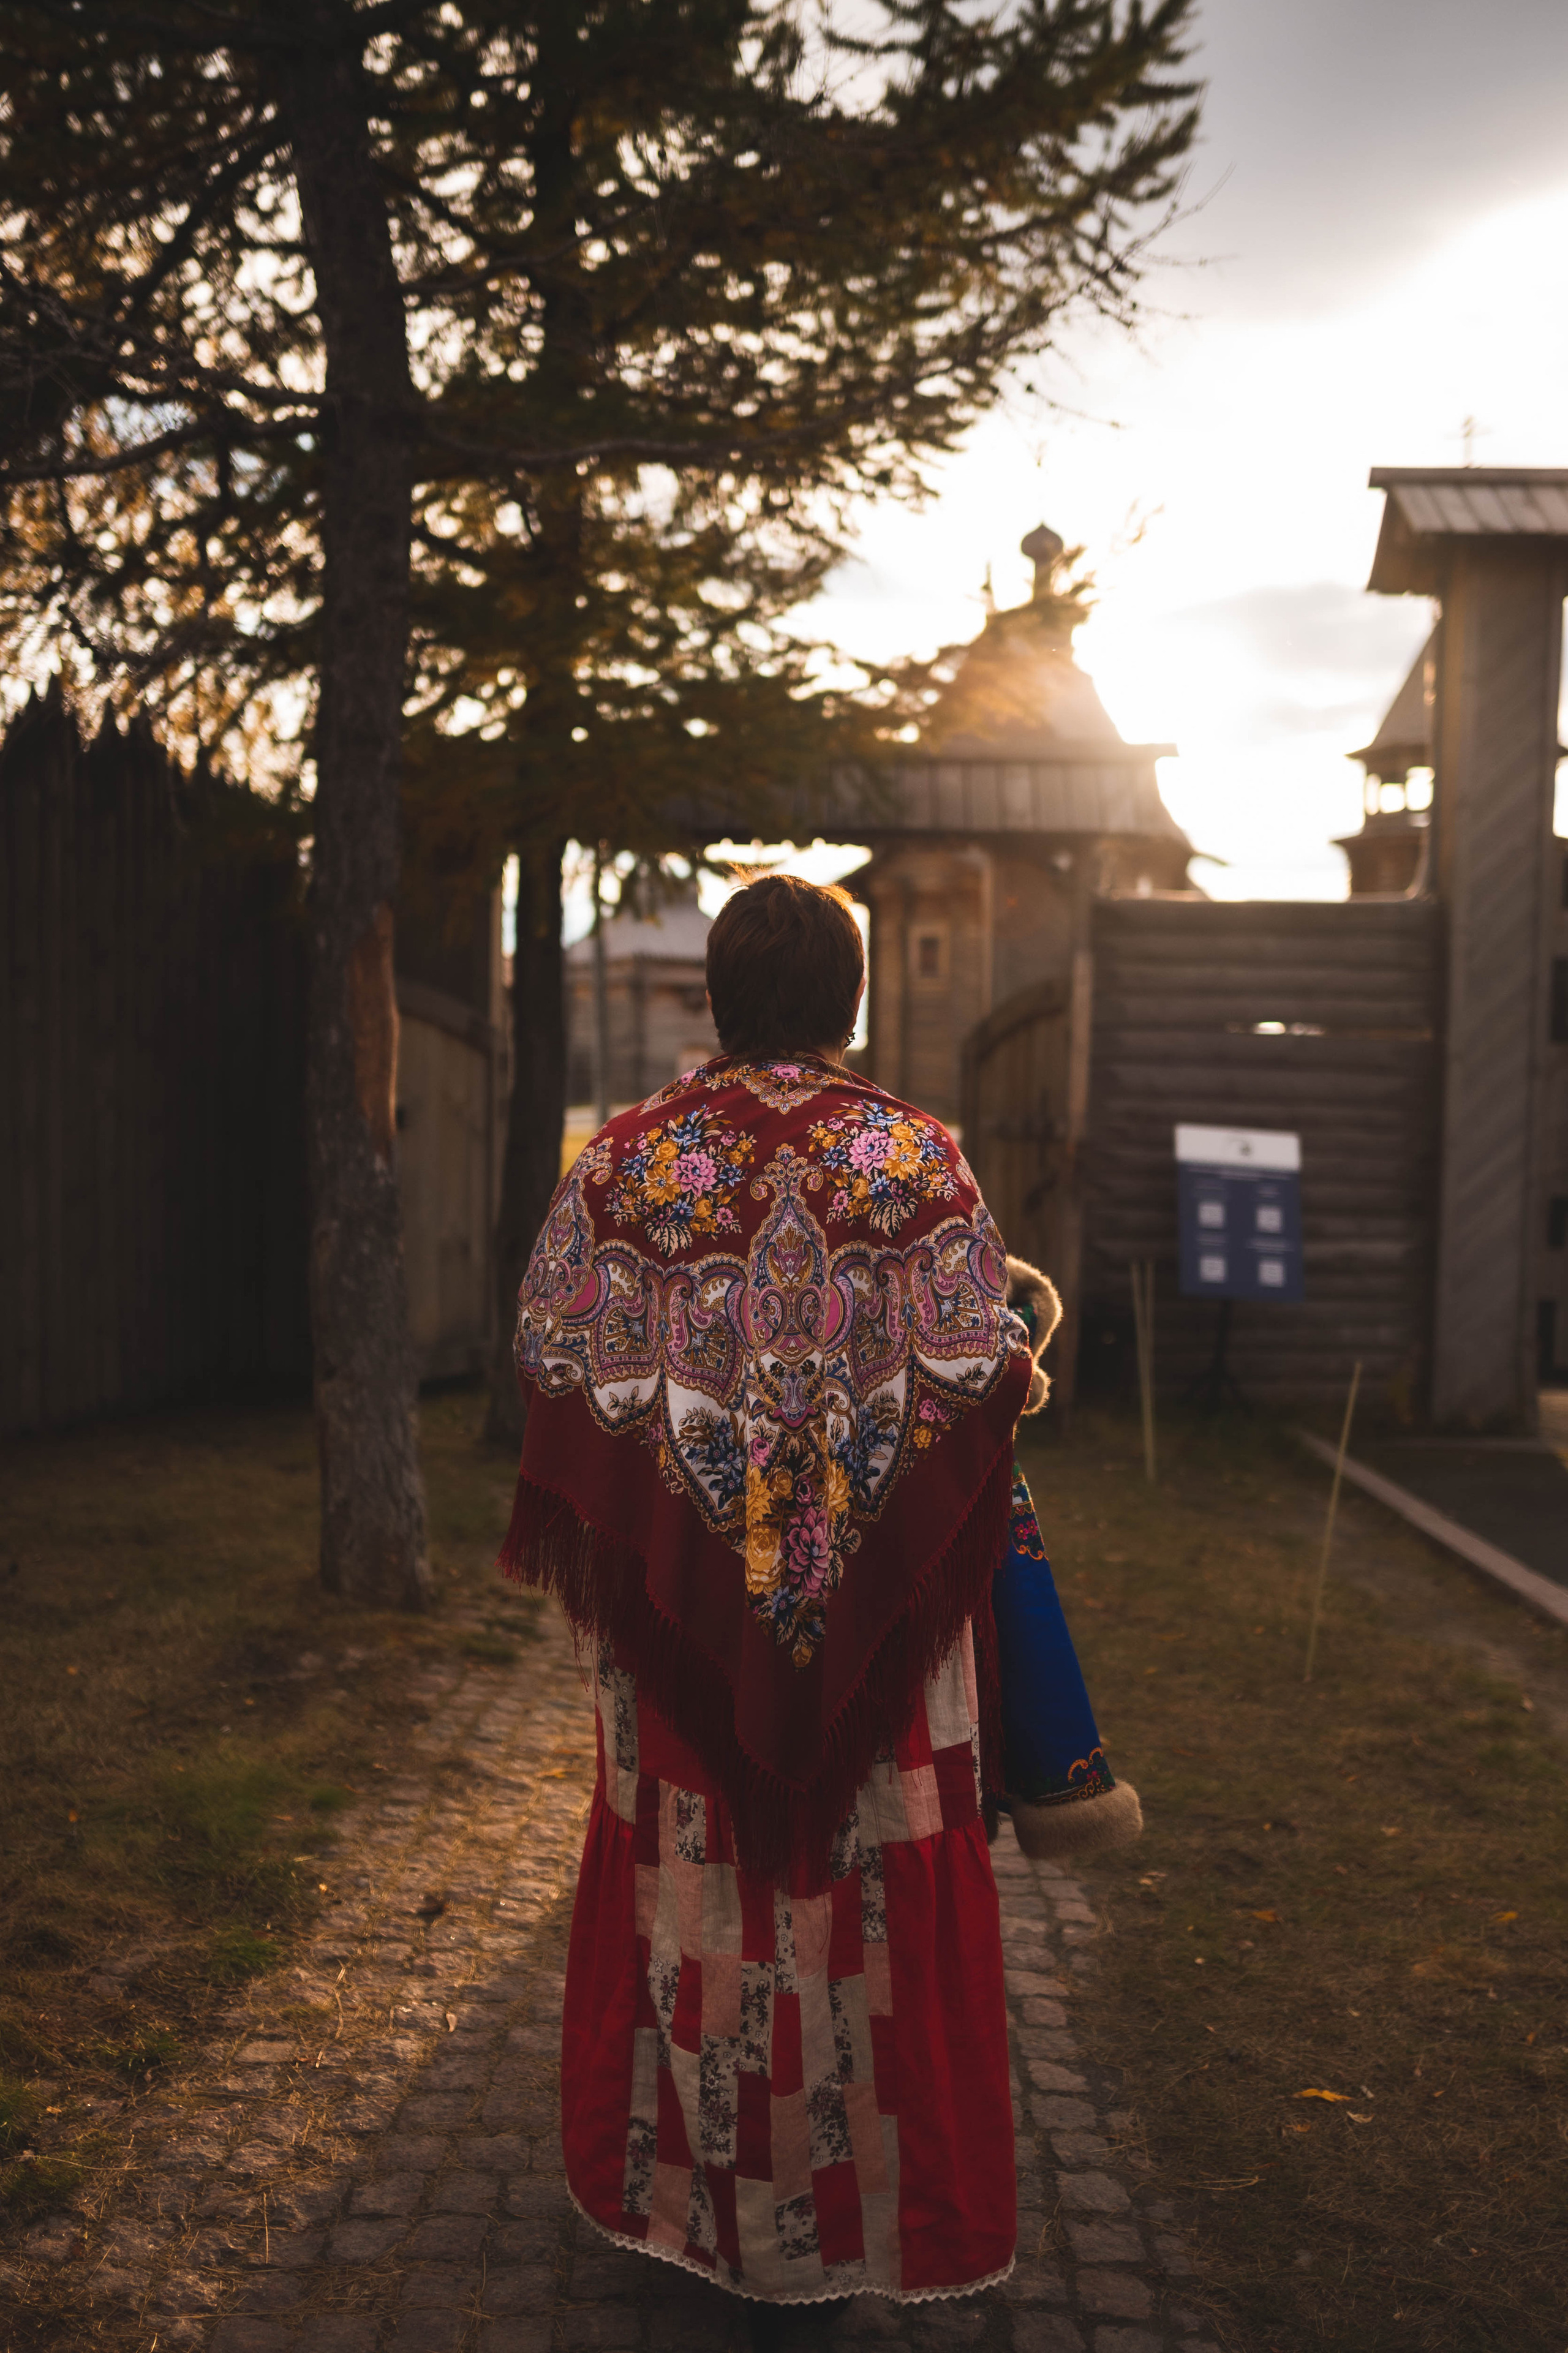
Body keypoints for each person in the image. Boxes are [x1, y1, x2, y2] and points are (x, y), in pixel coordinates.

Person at [500, 872, 1137, 2337]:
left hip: (682, 1623)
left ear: (715, 995)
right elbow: (979, 1374)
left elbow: (553, 1353)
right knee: (871, 1902)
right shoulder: (914, 1158)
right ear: (849, 999)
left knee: (690, 1879)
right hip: (883, 1639)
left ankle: (684, 2202)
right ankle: (857, 2210)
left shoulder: (627, 1161)